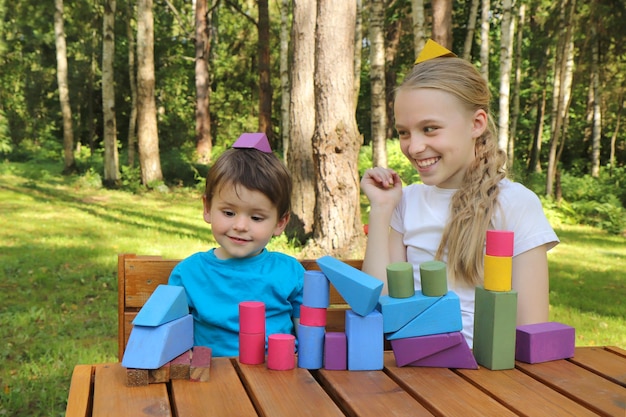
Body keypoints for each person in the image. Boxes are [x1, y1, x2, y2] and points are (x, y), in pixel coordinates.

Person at [360, 41, 559, 347]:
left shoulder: (515, 204)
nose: (413, 147)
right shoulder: (406, 202)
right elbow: (379, 306)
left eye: (430, 129)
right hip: (414, 372)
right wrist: (382, 208)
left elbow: (529, 328)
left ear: (476, 124)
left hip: (488, 381)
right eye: (404, 132)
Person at [168, 133, 304, 357]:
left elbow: (310, 340)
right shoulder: (189, 273)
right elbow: (171, 339)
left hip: (279, 377)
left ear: (280, 223)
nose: (240, 226)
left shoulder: (290, 272)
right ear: (208, 208)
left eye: (257, 218)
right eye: (229, 213)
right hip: (213, 381)